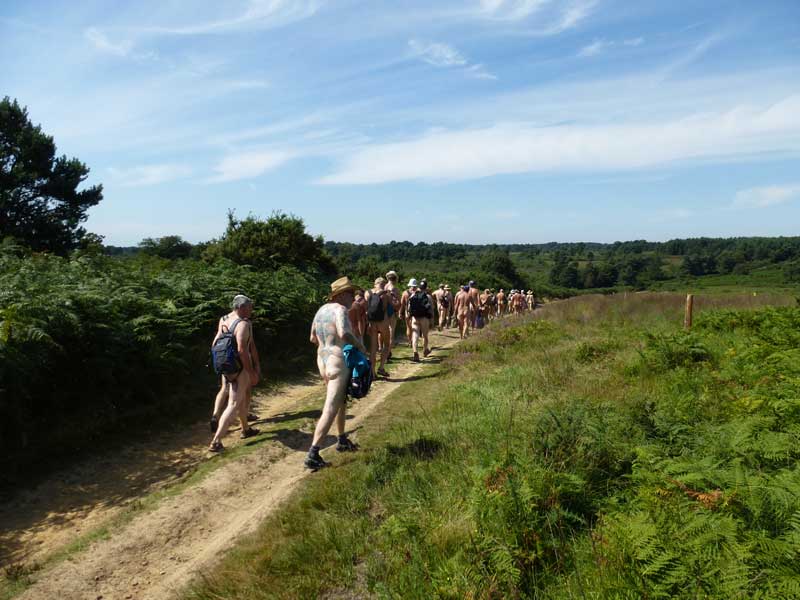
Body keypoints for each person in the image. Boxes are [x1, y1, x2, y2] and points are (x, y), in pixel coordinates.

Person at [306, 277, 367, 470]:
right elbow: (344, 334)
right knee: (331, 406)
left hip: (323, 361)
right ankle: (313, 453)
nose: (352, 297)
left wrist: (327, 346)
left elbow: (312, 338)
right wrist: (360, 347)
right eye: (349, 293)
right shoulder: (340, 309)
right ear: (340, 295)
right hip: (337, 362)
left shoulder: (321, 310)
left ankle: (341, 439)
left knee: (340, 400)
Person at [208, 295, 261, 452]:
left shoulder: (224, 319)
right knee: (233, 403)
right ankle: (216, 441)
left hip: (225, 364)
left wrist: (221, 362)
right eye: (249, 307)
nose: (251, 310)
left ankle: (246, 429)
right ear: (241, 308)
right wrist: (251, 372)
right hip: (239, 367)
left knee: (241, 398)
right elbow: (242, 350)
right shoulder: (243, 324)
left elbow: (215, 343)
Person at [365, 277, 391, 378]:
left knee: (373, 348)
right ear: (384, 284)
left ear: (375, 283)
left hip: (372, 322)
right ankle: (381, 367)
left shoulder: (367, 293)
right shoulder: (386, 294)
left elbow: (367, 309)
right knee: (387, 345)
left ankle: (372, 373)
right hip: (383, 322)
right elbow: (388, 307)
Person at [409, 279, 435, 361]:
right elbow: (431, 309)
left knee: (415, 335)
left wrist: (410, 317)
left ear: (419, 287)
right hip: (424, 318)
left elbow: (409, 308)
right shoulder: (428, 297)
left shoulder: (412, 295)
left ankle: (415, 352)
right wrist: (432, 320)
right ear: (426, 288)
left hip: (415, 318)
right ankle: (425, 350)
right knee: (425, 335)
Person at [384, 271, 401, 359]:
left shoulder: (384, 287)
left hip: (383, 311)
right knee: (391, 331)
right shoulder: (395, 289)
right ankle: (388, 352)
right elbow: (398, 302)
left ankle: (382, 349)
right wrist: (398, 311)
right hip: (391, 311)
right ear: (395, 279)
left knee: (383, 331)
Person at [399, 279, 417, 345]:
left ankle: (410, 341)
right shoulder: (418, 292)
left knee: (408, 327)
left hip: (408, 313)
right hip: (416, 313)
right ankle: (414, 341)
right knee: (415, 328)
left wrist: (400, 313)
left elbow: (402, 304)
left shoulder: (405, 293)